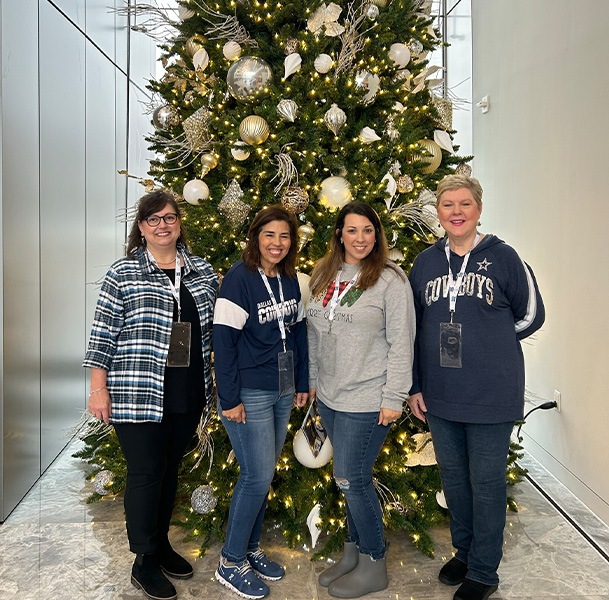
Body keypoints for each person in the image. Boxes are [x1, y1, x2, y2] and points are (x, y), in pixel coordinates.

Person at [407, 174, 545, 600]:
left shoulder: (504, 258)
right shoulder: (425, 263)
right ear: (439, 212)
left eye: (464, 203)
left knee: (485, 484)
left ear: (478, 208)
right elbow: (413, 327)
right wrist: (415, 386)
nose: (456, 212)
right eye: (448, 204)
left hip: (490, 396)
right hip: (441, 395)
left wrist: (492, 345)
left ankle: (484, 571)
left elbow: (531, 316)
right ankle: (465, 553)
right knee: (455, 481)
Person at [83, 189, 219, 600]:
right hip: (137, 391)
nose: (163, 225)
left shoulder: (201, 270)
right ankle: (143, 560)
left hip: (188, 389)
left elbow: (219, 330)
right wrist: (97, 388)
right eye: (154, 219)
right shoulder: (123, 273)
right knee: (145, 474)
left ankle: (160, 546)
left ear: (180, 224)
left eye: (170, 218)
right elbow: (101, 335)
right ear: (141, 228)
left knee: (169, 471)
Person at [306, 201, 416, 599]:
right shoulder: (324, 273)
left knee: (352, 479)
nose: (360, 238)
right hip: (331, 397)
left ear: (377, 234)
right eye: (352, 230)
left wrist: (394, 397)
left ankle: (374, 562)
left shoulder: (390, 280)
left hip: (369, 398)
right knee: (348, 479)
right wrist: (315, 382)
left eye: (368, 230)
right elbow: (314, 335)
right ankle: (353, 555)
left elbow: (402, 343)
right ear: (339, 234)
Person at [212, 205, 309, 600]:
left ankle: (250, 550)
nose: (277, 243)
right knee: (256, 475)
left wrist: (303, 381)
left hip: (283, 388)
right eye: (269, 235)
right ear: (256, 237)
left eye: (284, 236)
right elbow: (223, 342)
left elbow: (299, 331)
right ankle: (230, 561)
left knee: (263, 475)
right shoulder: (239, 278)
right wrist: (230, 398)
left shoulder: (289, 278)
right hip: (249, 392)